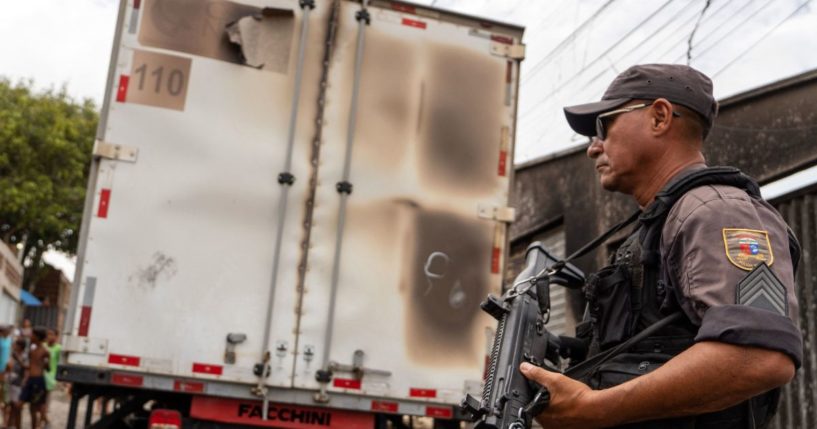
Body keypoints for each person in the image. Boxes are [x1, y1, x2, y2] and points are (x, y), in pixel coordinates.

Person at [520, 64, 802, 429]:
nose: (593, 148)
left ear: (659, 117)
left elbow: (760, 354)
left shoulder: (717, 211)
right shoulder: (661, 224)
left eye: (603, 126)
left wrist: (595, 408)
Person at [20, 328, 48, 429]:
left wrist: (45, 364)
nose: (30, 337)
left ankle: (36, 426)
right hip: (30, 380)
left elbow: (48, 368)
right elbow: (28, 367)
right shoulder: (32, 350)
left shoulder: (45, 351)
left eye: (32, 335)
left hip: (38, 380)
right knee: (20, 404)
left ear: (37, 337)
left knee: (33, 408)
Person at [8, 338, 27, 429]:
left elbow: (26, 368)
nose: (14, 346)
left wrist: (17, 359)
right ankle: (10, 425)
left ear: (20, 346)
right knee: (11, 406)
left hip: (19, 383)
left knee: (17, 407)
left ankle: (18, 426)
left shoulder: (24, 356)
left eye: (16, 344)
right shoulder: (13, 355)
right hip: (12, 382)